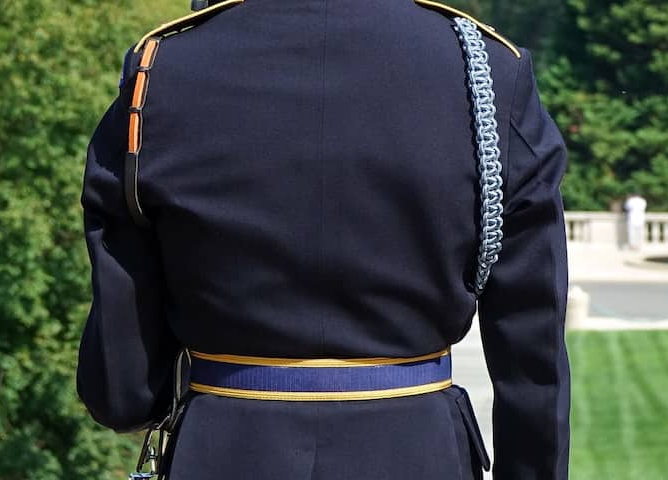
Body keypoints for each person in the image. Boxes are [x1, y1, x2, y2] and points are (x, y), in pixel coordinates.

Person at [75, 1, 570, 479]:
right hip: (417, 448)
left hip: (223, 448)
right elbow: (533, 357)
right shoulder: (488, 68)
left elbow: (123, 392)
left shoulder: (159, 70)